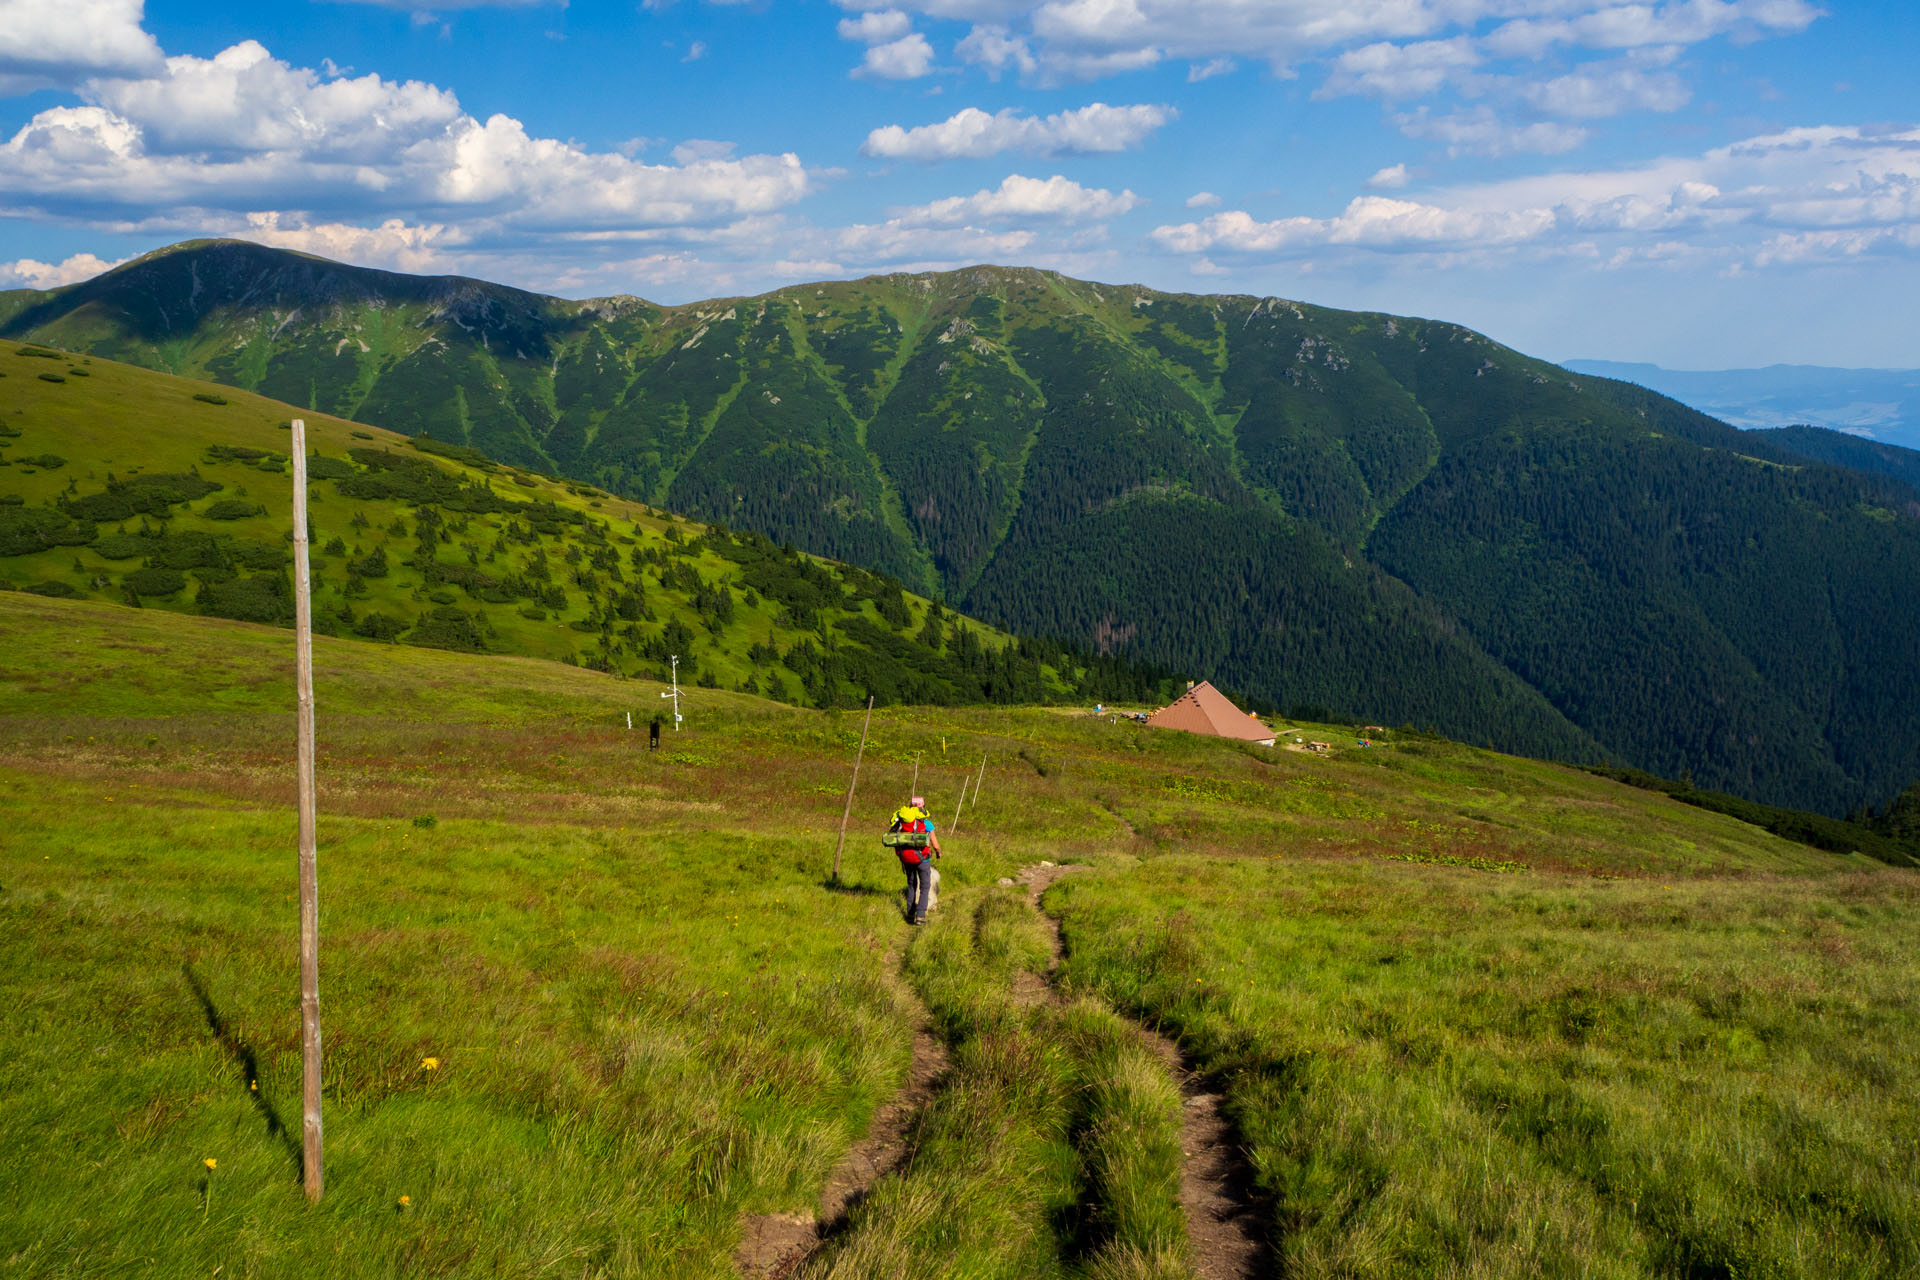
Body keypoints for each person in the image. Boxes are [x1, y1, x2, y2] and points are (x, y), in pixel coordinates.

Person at [889, 796, 941, 925]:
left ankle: (910, 914)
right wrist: (938, 852)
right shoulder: (926, 823)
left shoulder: (903, 821)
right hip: (922, 859)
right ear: (922, 806)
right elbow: (935, 843)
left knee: (911, 885)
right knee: (924, 886)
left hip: (907, 858)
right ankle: (921, 916)